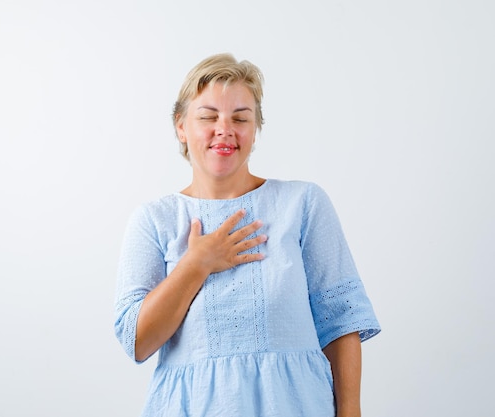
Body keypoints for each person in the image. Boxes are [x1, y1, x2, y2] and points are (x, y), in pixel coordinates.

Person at [114, 52, 381, 417]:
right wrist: (196, 264)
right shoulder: (153, 220)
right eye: (208, 116)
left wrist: (350, 413)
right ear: (181, 126)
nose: (224, 128)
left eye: (240, 118)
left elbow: (341, 321)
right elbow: (137, 342)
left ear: (255, 130)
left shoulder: (303, 204)